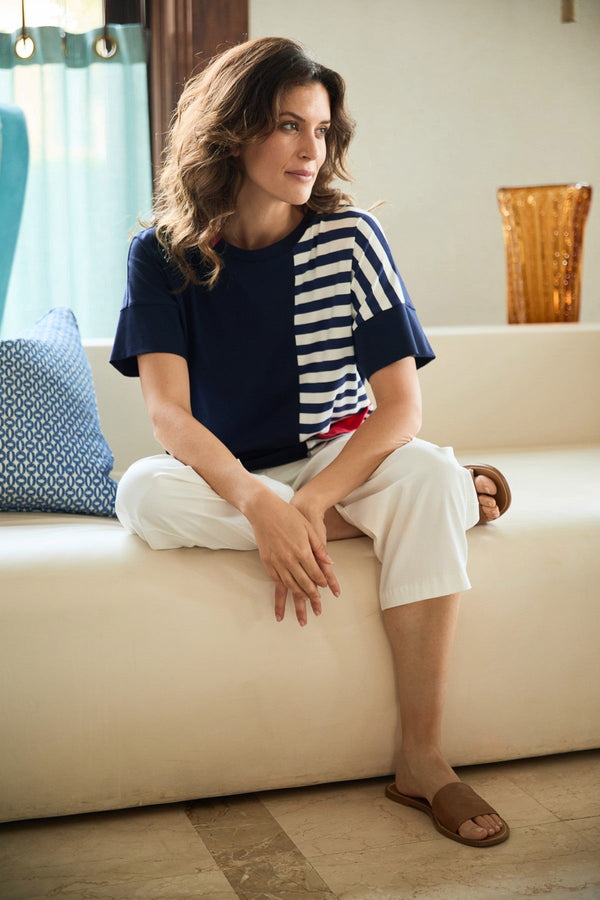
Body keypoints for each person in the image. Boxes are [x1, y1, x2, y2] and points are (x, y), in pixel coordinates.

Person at [110, 36, 511, 847]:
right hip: (227, 476)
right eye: (289, 125)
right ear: (232, 132)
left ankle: (423, 760)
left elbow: (399, 410)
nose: (311, 149)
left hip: (334, 460)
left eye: (322, 130)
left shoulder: (350, 237)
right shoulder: (161, 254)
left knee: (426, 474)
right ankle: (440, 507)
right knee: (142, 494)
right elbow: (169, 419)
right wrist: (260, 504)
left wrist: (313, 499)